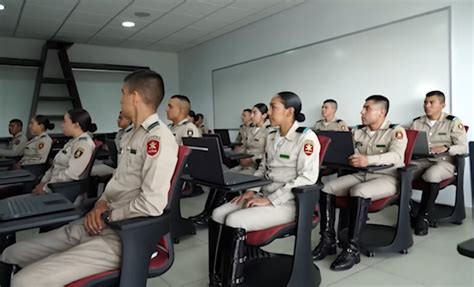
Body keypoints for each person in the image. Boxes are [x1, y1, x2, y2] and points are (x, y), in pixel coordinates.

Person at [0, 69, 178, 286]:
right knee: (11, 253)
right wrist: (101, 204)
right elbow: (117, 183)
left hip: (124, 236)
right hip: (99, 221)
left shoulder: (158, 138)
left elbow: (151, 204)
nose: (120, 100)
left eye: (123, 93)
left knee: (23, 282)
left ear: (135, 96)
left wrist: (107, 216)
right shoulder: (132, 135)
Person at [208, 92, 320, 286]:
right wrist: (251, 189)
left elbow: (307, 177)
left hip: (289, 202)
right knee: (218, 214)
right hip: (264, 195)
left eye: (273, 107)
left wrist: (270, 199)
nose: (268, 112)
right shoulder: (271, 135)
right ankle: (217, 275)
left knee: (235, 219)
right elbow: (263, 169)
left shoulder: (306, 138)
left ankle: (231, 281)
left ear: (289, 111)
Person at [312, 95, 407, 271]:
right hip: (362, 175)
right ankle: (327, 241)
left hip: (387, 178)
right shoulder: (357, 131)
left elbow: (397, 156)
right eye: (363, 108)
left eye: (367, 108)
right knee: (326, 188)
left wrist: (368, 159)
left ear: (381, 112)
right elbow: (342, 146)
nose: (362, 112)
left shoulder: (396, 131)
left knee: (359, 191)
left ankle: (352, 249)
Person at [410, 90, 467, 236]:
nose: (427, 105)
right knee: (401, 173)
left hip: (444, 162)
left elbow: (463, 147)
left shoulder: (453, 122)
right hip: (421, 160)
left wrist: (446, 148)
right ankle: (410, 210)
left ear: (442, 105)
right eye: (425, 102)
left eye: (431, 102)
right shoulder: (417, 122)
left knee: (432, 175)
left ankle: (424, 217)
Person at [30, 109, 97, 195]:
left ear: (76, 125)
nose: (62, 125)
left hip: (60, 190)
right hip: (52, 185)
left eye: (65, 121)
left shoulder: (83, 144)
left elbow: (71, 174)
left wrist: (45, 187)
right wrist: (43, 182)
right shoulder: (72, 141)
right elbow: (55, 166)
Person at [231, 103, 270, 175]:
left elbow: (268, 153)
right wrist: (239, 156)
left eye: (255, 113)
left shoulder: (269, 130)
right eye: (251, 113)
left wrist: (252, 160)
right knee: (225, 174)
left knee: (233, 178)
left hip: (257, 166)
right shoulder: (250, 129)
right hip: (244, 164)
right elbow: (245, 147)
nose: (251, 116)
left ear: (264, 115)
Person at [91, 111, 133, 177]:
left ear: (130, 120)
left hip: (123, 168)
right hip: (115, 163)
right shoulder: (120, 133)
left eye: (120, 118)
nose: (118, 120)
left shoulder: (130, 135)